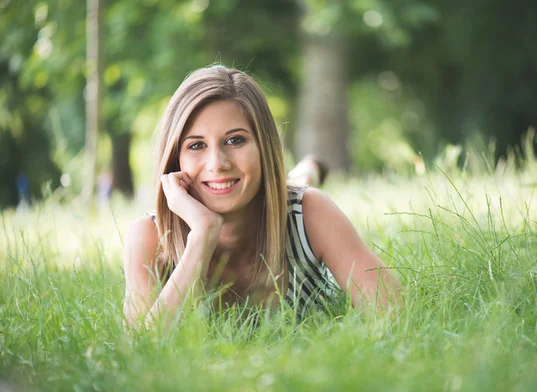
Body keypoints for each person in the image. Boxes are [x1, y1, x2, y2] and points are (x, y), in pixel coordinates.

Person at [122, 65, 401, 329]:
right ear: (175, 159)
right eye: (196, 145)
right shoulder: (149, 236)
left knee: (297, 189)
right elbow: (142, 348)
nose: (217, 163)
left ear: (263, 146)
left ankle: (307, 172)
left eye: (235, 140)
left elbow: (395, 312)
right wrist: (202, 235)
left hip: (284, 203)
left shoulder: (311, 212)